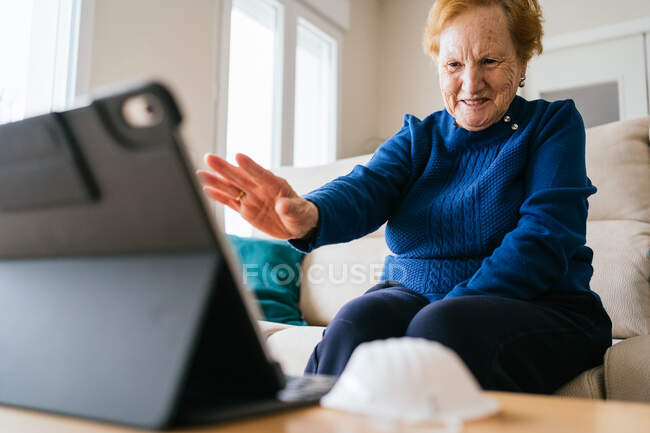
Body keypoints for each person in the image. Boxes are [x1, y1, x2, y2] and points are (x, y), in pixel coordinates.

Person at [197, 0, 612, 394]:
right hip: (419, 299)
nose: (471, 82)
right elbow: (365, 186)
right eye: (453, 64)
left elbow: (545, 236)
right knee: (356, 323)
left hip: (542, 304)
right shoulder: (419, 138)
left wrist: (447, 306)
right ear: (438, 66)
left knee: (444, 328)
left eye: (489, 60)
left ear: (521, 62)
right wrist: (309, 213)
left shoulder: (552, 125)